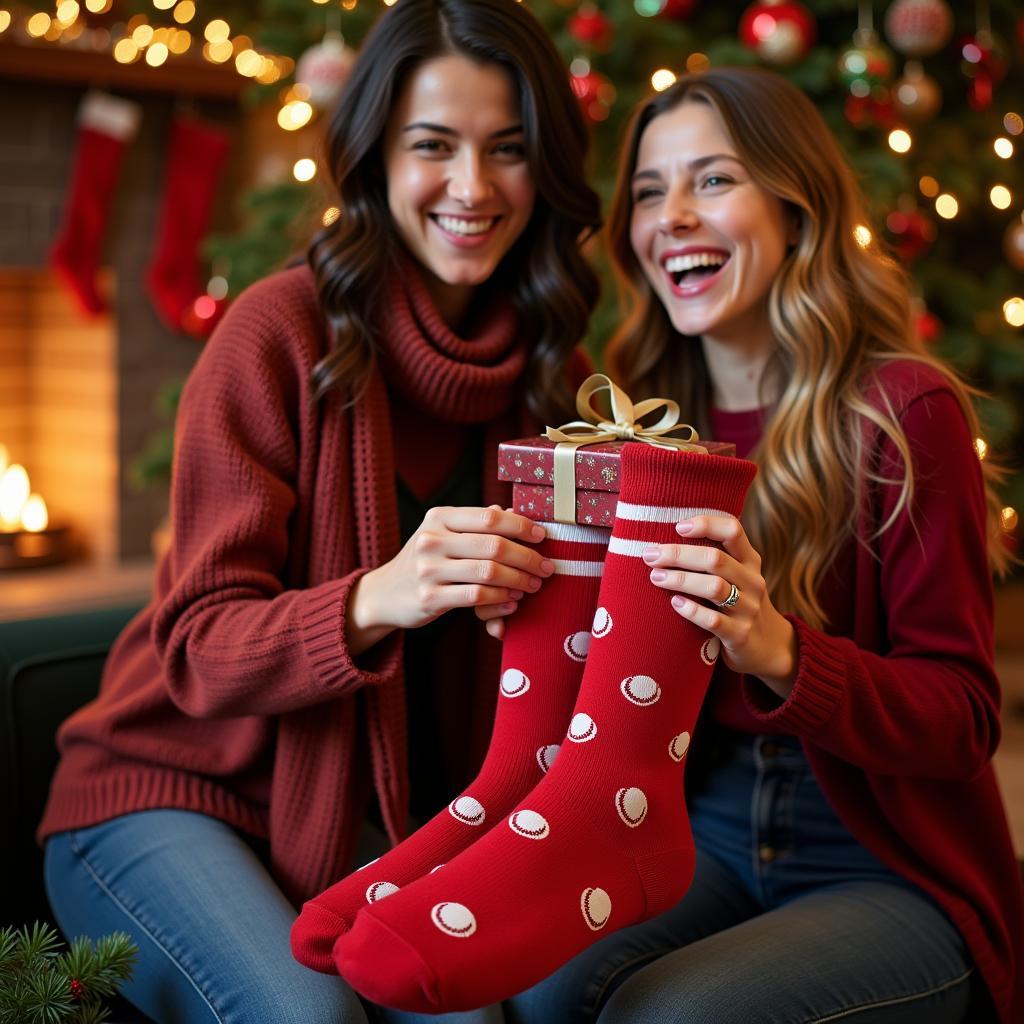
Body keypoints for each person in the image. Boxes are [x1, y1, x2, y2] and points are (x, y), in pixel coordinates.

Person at [38, 1, 601, 1021]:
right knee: (312, 1018)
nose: (472, 188)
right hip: (168, 795)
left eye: (507, 151)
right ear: (374, 158)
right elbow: (199, 648)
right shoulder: (275, 335)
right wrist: (382, 595)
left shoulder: (559, 377)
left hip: (387, 812)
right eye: (433, 146)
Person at [495, 67, 1022, 1023]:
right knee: (536, 990)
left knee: (674, 1016)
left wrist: (780, 650)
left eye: (713, 180)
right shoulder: (638, 427)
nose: (673, 217)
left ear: (796, 208)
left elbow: (965, 719)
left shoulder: (903, 413)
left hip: (881, 861)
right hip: (699, 836)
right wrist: (529, 610)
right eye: (651, 192)